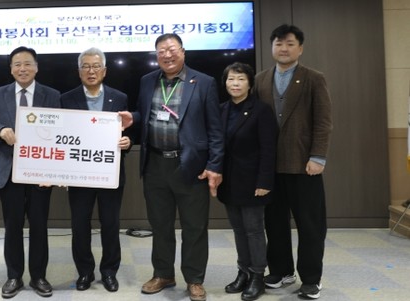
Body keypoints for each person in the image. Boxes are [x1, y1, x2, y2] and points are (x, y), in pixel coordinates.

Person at [119, 33, 224, 301]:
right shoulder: (147, 81)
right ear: (156, 56)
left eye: (172, 49)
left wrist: (214, 165)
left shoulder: (203, 82)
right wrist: (134, 117)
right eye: (161, 51)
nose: (167, 55)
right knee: (160, 224)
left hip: (190, 165)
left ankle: (194, 279)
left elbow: (215, 129)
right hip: (155, 164)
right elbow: (146, 113)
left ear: (183, 52)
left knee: (194, 227)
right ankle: (163, 273)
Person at [253, 24, 332, 300]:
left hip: (304, 165)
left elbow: (323, 121)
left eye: (289, 43)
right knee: (274, 224)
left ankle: (311, 279)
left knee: (310, 225)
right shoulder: (261, 79)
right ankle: (281, 271)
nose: (283, 48)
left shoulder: (313, 78)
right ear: (271, 47)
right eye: (278, 43)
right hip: (270, 167)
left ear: (300, 48)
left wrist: (318, 156)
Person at [0, 46, 61, 298]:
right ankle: (14, 276)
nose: (22, 68)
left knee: (39, 226)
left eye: (28, 63)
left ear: (36, 67)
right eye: (17, 64)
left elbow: (61, 131)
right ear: (11, 69)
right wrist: (0, 130)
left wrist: (54, 172)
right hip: (9, 170)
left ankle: (38, 276)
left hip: (40, 172)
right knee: (13, 226)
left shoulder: (52, 95)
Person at [60, 47, 132, 293]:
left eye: (95, 66)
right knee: (80, 225)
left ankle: (109, 272)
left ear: (104, 70)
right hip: (79, 174)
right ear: (79, 71)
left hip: (109, 173)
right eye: (86, 66)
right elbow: (62, 136)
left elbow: (129, 132)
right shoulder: (66, 99)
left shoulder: (119, 98)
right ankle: (85, 272)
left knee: (110, 224)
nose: (91, 71)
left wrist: (128, 142)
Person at [217, 62, 277, 301]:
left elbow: (269, 149)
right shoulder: (221, 109)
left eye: (241, 79)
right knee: (239, 230)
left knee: (254, 230)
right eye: (231, 79)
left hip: (253, 182)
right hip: (229, 182)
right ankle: (243, 271)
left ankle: (257, 276)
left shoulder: (261, 110)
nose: (235, 84)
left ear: (250, 84)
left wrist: (265, 181)